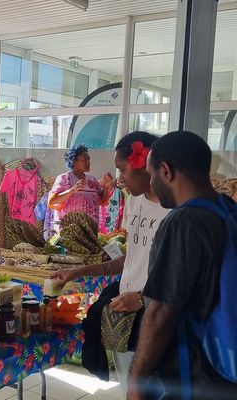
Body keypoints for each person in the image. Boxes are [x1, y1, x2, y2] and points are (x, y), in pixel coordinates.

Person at [50, 131, 169, 396]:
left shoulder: (173, 210)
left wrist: (141, 299)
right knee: (129, 384)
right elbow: (130, 260)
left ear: (145, 166)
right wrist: (76, 272)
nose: (119, 179)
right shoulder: (135, 201)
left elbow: (179, 277)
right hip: (124, 307)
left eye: (123, 170)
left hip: (154, 314)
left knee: (153, 388)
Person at [127, 131, 237, 400]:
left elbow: (161, 310)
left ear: (165, 171)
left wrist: (136, 382)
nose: (152, 181)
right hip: (226, 364)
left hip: (197, 373)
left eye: (151, 173)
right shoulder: (227, 209)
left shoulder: (183, 222)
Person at [48, 144, 114, 229]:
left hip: (90, 229)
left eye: (88, 159)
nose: (88, 162)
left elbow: (102, 200)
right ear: (73, 161)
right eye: (84, 160)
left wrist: (106, 186)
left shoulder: (92, 180)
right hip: (70, 230)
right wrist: (72, 190)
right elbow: (53, 201)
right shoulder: (65, 178)